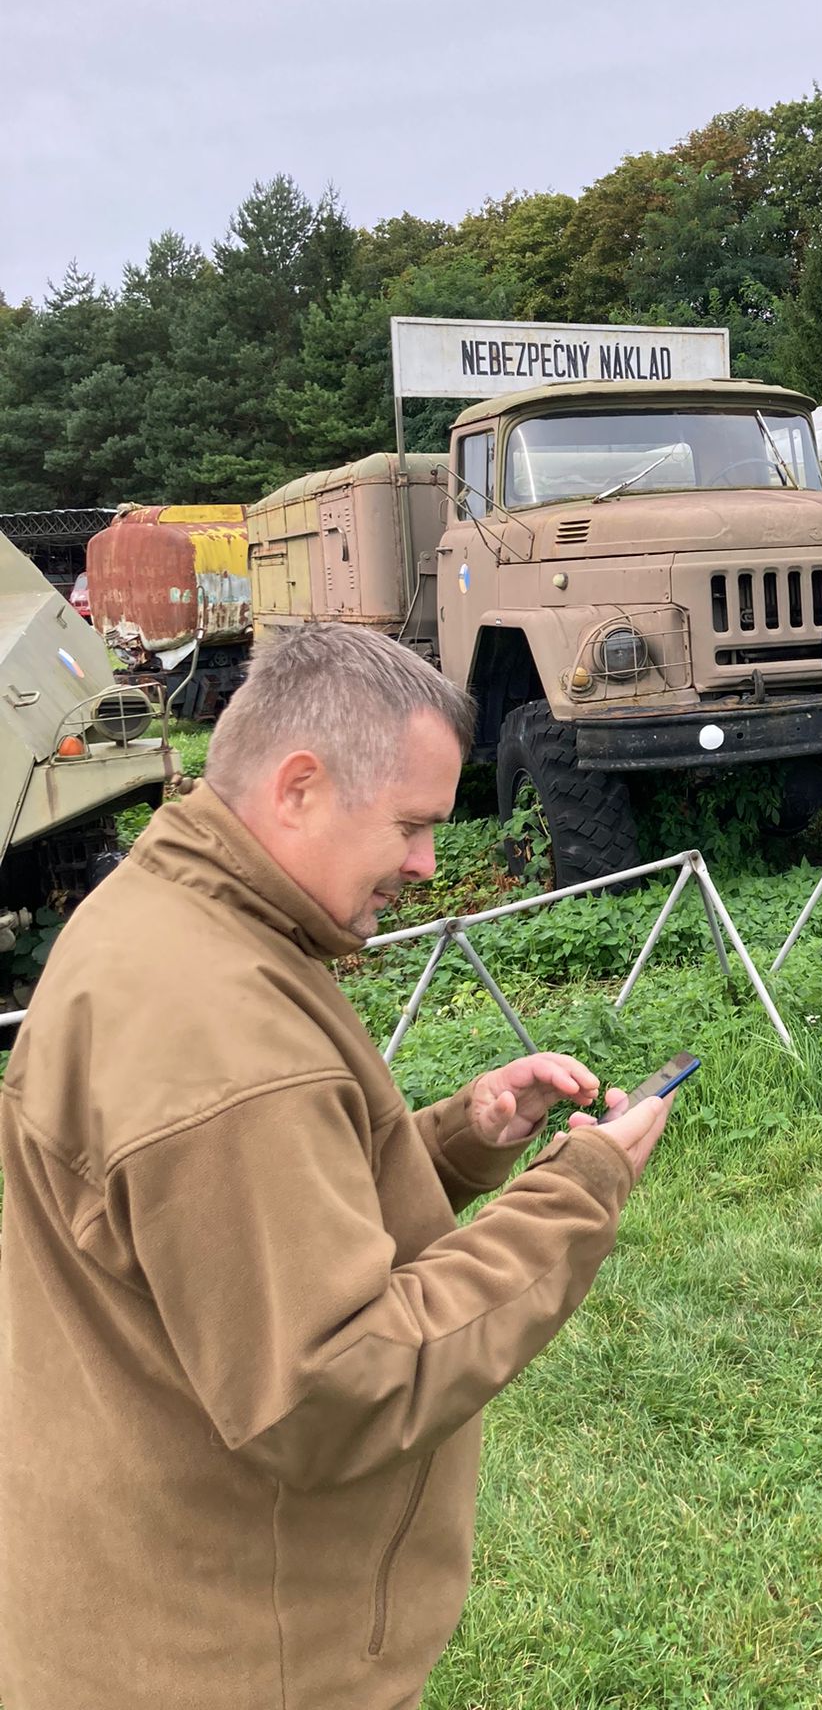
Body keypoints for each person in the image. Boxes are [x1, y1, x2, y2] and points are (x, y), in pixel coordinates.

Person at [0, 624, 669, 1709]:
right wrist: (572, 1193)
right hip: (233, 1660)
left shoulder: (163, 919)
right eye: (410, 825)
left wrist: (450, 1141)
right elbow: (332, 1384)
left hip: (144, 1609)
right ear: (301, 785)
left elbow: (227, 1229)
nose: (426, 864)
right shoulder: (222, 1031)